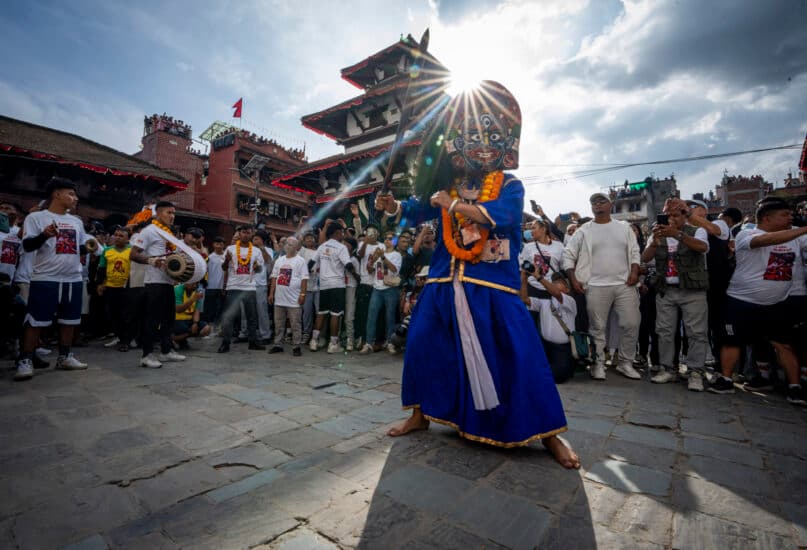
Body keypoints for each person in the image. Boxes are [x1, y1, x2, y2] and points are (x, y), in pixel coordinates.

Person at [382, 81, 578, 468]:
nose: (483, 143)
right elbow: (417, 207)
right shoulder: (445, 185)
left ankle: (550, 434)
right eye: (472, 135)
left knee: (520, 355)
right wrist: (393, 205)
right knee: (422, 345)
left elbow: (502, 217)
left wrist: (453, 204)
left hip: (492, 286)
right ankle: (420, 416)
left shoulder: (508, 183)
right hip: (441, 280)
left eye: (492, 135)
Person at [709, 199, 807, 405]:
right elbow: (765, 242)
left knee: (784, 345)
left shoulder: (798, 235)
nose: (790, 217)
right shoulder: (748, 234)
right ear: (766, 218)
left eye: (791, 214)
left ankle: (795, 387)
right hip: (741, 301)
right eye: (784, 215)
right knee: (732, 341)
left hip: (777, 303)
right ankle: (726, 379)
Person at [14, 177, 92, 381]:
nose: (75, 198)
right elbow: (28, 246)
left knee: (70, 319)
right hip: (45, 277)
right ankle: (25, 359)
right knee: (35, 321)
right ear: (56, 194)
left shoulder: (76, 221)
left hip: (73, 278)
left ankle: (65, 356)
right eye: (71, 194)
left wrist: (90, 247)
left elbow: (82, 247)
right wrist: (44, 235)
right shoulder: (37, 218)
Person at [563, 193, 642, 381]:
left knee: (631, 323)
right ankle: (598, 364)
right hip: (596, 285)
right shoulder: (584, 230)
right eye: (594, 203)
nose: (597, 205)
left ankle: (625, 363)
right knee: (597, 328)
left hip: (624, 284)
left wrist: (634, 271)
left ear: (610, 204)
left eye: (602, 202)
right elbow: (568, 254)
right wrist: (573, 279)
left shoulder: (624, 228)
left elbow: (634, 251)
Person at [641, 200, 710, 390]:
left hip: (692, 290)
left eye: (675, 215)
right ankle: (668, 370)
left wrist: (677, 235)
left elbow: (703, 248)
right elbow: (645, 259)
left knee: (696, 332)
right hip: (666, 290)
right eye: (667, 215)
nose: (670, 219)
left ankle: (695, 372)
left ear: (684, 216)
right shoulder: (658, 234)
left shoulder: (697, 230)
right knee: (664, 331)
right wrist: (654, 243)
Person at [130, 201, 187, 369]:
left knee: (169, 319)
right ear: (158, 214)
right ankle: (146, 355)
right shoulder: (149, 231)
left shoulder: (168, 234)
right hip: (153, 283)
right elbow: (133, 254)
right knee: (152, 320)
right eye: (168, 212)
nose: (172, 216)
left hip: (168, 282)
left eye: (173, 213)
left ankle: (166, 351)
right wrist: (150, 260)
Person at [520, 268, 577, 384]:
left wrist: (539, 277)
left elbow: (556, 293)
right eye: (554, 282)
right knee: (531, 370)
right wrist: (524, 277)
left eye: (560, 282)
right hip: (546, 346)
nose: (555, 284)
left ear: (567, 289)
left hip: (562, 348)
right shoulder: (544, 302)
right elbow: (524, 298)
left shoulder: (570, 301)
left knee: (558, 377)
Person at [218, 225, 265, 353]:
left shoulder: (256, 251)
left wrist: (257, 267)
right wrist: (227, 260)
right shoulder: (230, 249)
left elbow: (260, 269)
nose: (245, 235)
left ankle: (253, 342)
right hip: (233, 286)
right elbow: (223, 268)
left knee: (252, 316)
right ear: (239, 234)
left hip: (249, 287)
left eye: (248, 233)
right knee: (229, 316)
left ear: (252, 234)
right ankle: (225, 343)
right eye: (243, 232)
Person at [308, 222, 354, 353]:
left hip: (323, 285)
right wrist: (356, 276)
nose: (343, 235)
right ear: (337, 233)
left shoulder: (322, 247)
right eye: (342, 232)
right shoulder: (341, 247)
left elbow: (311, 263)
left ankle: (314, 341)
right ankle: (333, 344)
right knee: (335, 314)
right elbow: (348, 265)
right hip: (337, 285)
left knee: (321, 313)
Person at [359, 231, 402, 354]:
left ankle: (390, 343)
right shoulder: (378, 252)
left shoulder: (396, 255)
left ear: (394, 242)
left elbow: (394, 270)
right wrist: (373, 260)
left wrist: (383, 257)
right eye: (386, 238)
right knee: (371, 316)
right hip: (377, 288)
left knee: (390, 317)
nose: (388, 240)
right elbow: (369, 270)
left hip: (390, 289)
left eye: (391, 238)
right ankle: (368, 343)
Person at [268, 236, 308, 356]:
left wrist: (302, 294)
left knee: (295, 323)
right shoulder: (280, 260)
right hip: (279, 298)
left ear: (296, 247)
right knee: (279, 323)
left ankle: (296, 346)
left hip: (294, 299)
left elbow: (304, 279)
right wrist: (271, 293)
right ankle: (278, 345)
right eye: (286, 244)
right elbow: (274, 277)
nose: (287, 246)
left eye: (291, 244)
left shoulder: (300, 261)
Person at [96, 226, 133, 352]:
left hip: (126, 289)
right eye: (116, 235)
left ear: (128, 239)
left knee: (126, 316)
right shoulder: (107, 251)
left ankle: (126, 341)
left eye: (121, 236)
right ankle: (119, 336)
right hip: (110, 287)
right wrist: (100, 284)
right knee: (112, 314)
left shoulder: (133, 251)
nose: (117, 237)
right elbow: (101, 269)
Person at [355, 225, 383, 350]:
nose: (372, 234)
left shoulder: (382, 246)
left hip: (378, 284)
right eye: (369, 232)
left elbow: (381, 263)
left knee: (377, 314)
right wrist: (365, 242)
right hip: (365, 283)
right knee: (363, 313)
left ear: (377, 233)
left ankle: (376, 340)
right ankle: (363, 339)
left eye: (374, 231)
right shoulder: (362, 244)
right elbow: (360, 255)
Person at [173, 281, 210, 348]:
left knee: (206, 329)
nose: (195, 285)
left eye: (196, 283)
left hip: (188, 320)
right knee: (183, 328)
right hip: (175, 319)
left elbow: (197, 310)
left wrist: (195, 323)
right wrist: (192, 299)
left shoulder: (196, 291)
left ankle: (180, 338)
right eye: (193, 283)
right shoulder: (177, 289)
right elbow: (178, 309)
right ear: (186, 282)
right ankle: (175, 339)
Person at [204, 237, 226, 327]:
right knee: (210, 308)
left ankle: (218, 327)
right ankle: (208, 327)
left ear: (223, 245)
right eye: (217, 243)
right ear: (213, 245)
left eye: (221, 244)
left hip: (222, 287)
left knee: (221, 308)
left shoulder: (226, 256)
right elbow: (205, 271)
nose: (219, 246)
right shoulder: (209, 258)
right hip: (211, 286)